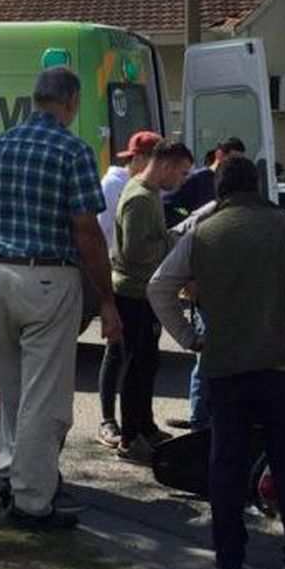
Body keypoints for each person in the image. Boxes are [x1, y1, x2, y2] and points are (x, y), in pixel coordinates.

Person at [149, 155, 285, 569]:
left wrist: (189, 337)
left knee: (226, 465)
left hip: (224, 367)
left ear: (219, 190)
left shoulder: (202, 232)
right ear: (256, 187)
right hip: (280, 365)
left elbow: (158, 286)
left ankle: (229, 557)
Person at [0, 65, 121, 531]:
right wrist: (107, 299)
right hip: (48, 278)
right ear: (71, 100)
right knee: (44, 399)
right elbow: (87, 232)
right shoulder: (71, 150)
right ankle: (33, 501)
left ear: (36, 98)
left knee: (12, 392)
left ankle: (12, 477)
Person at [110, 139, 193, 461]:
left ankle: (144, 426)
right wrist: (171, 242)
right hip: (134, 293)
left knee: (147, 364)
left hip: (146, 292)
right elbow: (135, 251)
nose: (182, 180)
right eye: (182, 173)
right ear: (166, 165)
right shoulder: (141, 199)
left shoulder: (151, 194)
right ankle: (130, 438)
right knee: (135, 366)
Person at [164, 135, 247, 431]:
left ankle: (219, 418)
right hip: (206, 287)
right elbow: (171, 215)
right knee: (206, 357)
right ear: (220, 155)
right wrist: (188, 274)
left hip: (231, 291)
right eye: (232, 159)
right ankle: (199, 420)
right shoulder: (202, 190)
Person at [95, 130, 162, 450]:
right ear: (138, 158)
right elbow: (98, 231)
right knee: (117, 351)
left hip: (138, 282)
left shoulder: (146, 188)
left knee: (139, 359)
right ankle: (109, 420)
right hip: (117, 277)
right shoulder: (115, 187)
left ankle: (143, 423)